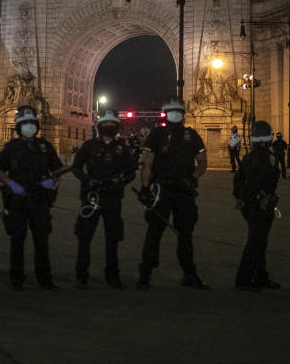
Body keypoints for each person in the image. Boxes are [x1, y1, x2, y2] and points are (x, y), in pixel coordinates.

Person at [136, 98, 209, 290]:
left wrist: (192, 178)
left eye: (178, 111)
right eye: (172, 111)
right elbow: (147, 164)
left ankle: (189, 275)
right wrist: (145, 189)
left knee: (185, 235)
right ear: (165, 114)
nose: (175, 114)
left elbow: (203, 161)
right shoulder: (156, 134)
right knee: (154, 233)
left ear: (183, 114)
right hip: (161, 190)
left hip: (184, 191)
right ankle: (145, 275)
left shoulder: (191, 135)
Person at [0, 105, 63, 290]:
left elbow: (57, 169)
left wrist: (53, 182)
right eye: (25, 123)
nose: (29, 126)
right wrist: (10, 183)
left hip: (40, 200)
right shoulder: (10, 147)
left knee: (42, 241)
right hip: (18, 201)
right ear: (18, 126)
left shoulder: (45, 146)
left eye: (32, 123)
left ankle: (45, 279)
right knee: (17, 241)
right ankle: (16, 278)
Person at [71, 108, 136, 289]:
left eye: (112, 124)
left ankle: (112, 275)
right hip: (91, 197)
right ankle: (81, 274)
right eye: (106, 124)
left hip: (113, 198)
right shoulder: (89, 146)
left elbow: (131, 172)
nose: (109, 126)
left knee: (113, 237)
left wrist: (121, 181)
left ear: (117, 126)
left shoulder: (122, 148)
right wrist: (87, 180)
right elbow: (76, 167)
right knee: (84, 236)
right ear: (99, 126)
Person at [233, 120, 280, 291]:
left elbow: (238, 179)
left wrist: (240, 197)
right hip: (262, 205)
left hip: (249, 205)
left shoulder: (247, 158)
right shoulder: (270, 158)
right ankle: (243, 280)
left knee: (258, 241)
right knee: (255, 242)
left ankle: (260, 276)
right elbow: (268, 181)